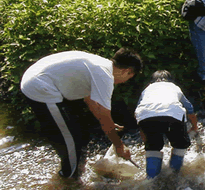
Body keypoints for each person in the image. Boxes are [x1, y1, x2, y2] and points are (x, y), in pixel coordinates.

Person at [20, 47, 143, 179]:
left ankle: (71, 174)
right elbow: (103, 113)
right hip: (40, 87)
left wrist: (110, 124)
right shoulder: (104, 75)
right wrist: (119, 146)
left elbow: (91, 102)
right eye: (129, 77)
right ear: (127, 71)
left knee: (78, 135)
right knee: (71, 141)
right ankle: (69, 182)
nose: (125, 82)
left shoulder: (100, 66)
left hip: (37, 80)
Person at [135, 70, 198, 179]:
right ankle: (174, 174)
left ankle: (151, 180)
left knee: (152, 148)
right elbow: (190, 108)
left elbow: (139, 111)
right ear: (170, 80)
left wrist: (145, 135)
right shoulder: (174, 87)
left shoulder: (147, 89)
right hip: (173, 114)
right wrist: (194, 126)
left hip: (145, 117)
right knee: (180, 144)